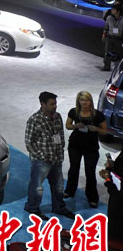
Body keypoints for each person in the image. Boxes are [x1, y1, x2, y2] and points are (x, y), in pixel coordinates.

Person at [25, 91, 75, 219]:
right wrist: (43, 156)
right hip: (41, 161)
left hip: (56, 159)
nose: (55, 106)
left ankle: (59, 207)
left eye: (55, 103)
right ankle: (32, 208)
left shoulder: (57, 117)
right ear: (43, 104)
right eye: (52, 104)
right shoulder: (34, 120)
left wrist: (60, 152)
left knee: (58, 186)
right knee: (37, 187)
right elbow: (29, 142)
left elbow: (60, 135)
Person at [64, 91, 108, 208]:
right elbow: (67, 125)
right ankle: (69, 191)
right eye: (82, 100)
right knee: (73, 169)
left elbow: (105, 131)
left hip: (91, 147)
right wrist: (75, 126)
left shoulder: (98, 115)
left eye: (87, 100)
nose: (85, 102)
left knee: (90, 172)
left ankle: (92, 197)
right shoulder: (74, 112)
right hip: (75, 145)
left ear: (91, 101)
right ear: (78, 101)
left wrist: (96, 129)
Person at [104, 4, 123, 70]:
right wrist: (104, 35)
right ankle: (106, 66)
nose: (111, 11)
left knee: (121, 54)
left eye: (113, 10)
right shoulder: (109, 17)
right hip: (110, 37)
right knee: (107, 52)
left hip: (119, 38)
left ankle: (120, 68)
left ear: (118, 11)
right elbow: (106, 27)